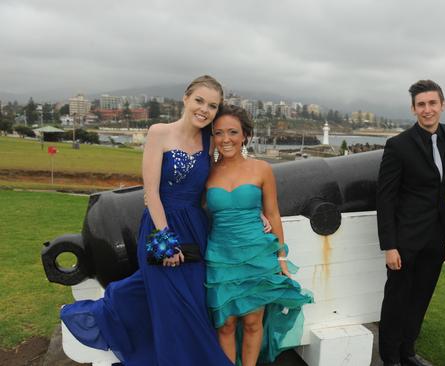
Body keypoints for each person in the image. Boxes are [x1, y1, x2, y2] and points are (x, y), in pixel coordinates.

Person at [60, 75, 233, 366]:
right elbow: (150, 192)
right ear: (186, 98)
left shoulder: (209, 140)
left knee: (193, 307)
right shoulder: (159, 132)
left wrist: (258, 213)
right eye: (200, 100)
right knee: (174, 308)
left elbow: (222, 184)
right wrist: (165, 243)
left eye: (213, 106)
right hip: (160, 226)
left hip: (195, 229)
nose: (205, 109)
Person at [204, 104, 313, 366]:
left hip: (256, 254)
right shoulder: (206, 171)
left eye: (232, 132)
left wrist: (282, 257)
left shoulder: (261, 169)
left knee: (253, 322)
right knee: (225, 325)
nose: (225, 139)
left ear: (245, 136)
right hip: (221, 256)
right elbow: (195, 209)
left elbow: (273, 214)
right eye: (218, 133)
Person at [376, 80, 445, 366]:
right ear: (414, 109)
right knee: (396, 302)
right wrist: (389, 245)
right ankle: (390, 358)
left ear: (442, 105)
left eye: (432, 103)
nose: (428, 110)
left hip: (436, 239)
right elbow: (385, 198)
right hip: (404, 240)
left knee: (421, 299)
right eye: (421, 105)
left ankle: (407, 351)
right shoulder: (398, 145)